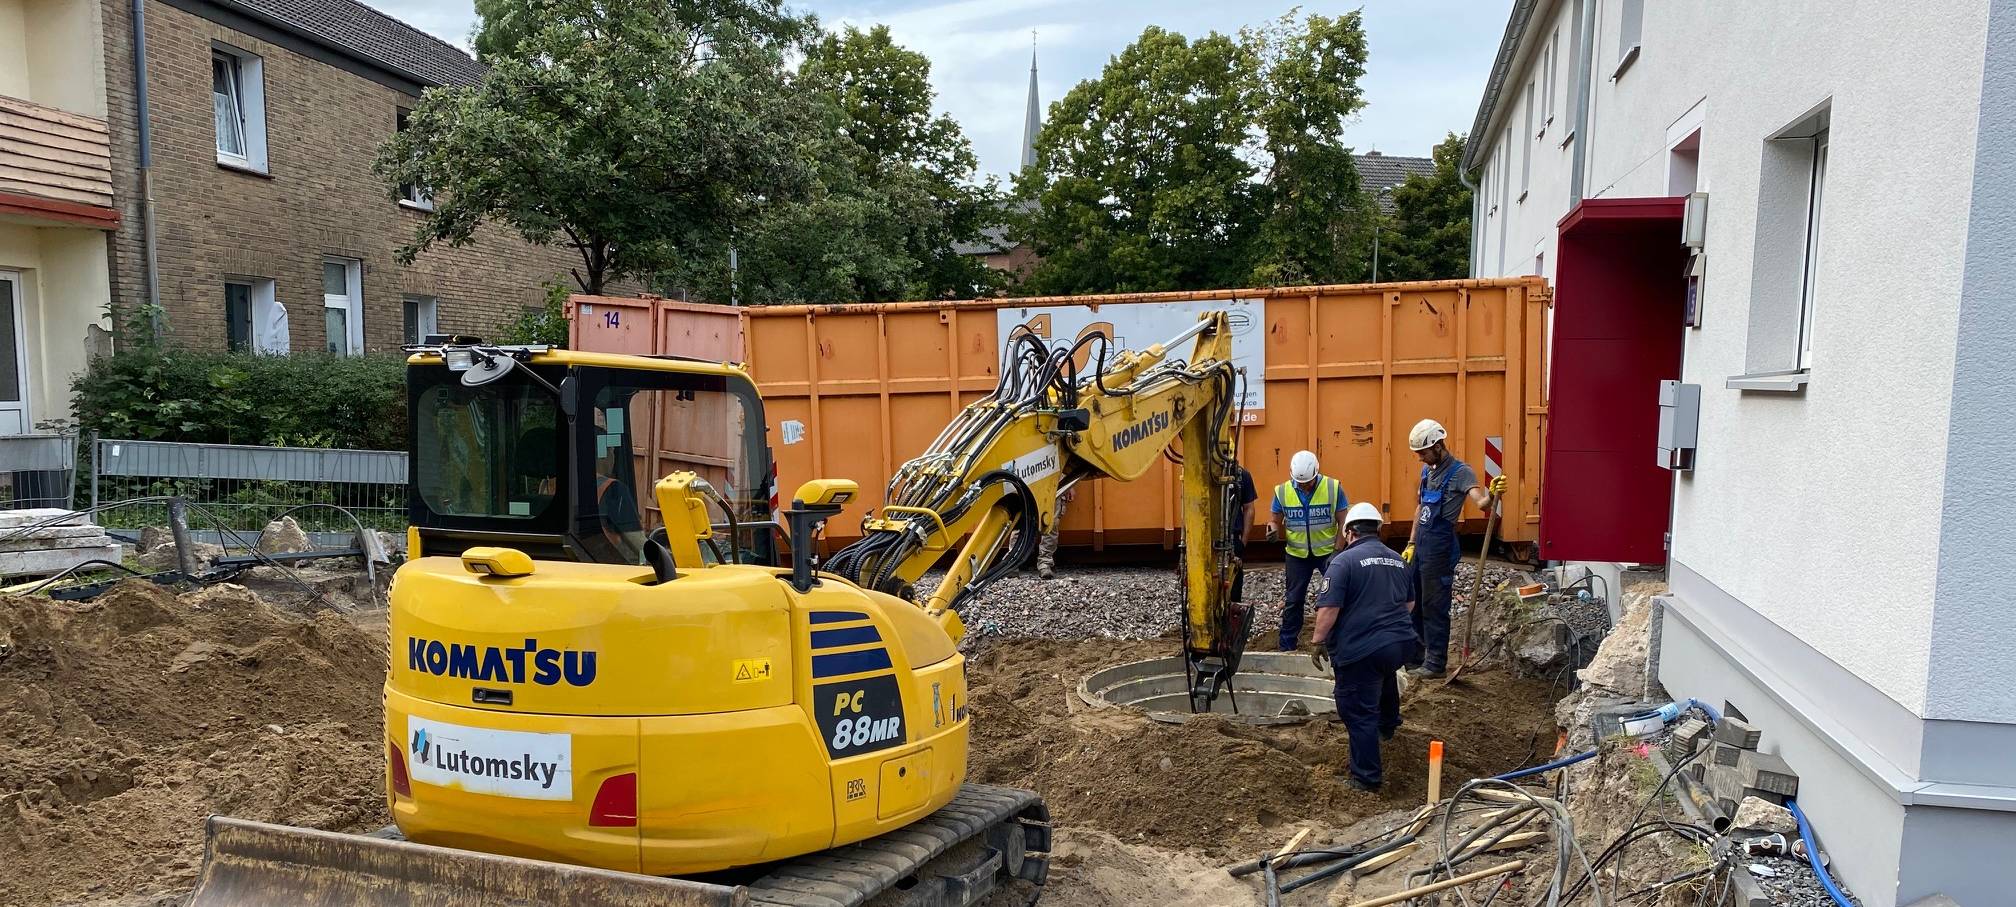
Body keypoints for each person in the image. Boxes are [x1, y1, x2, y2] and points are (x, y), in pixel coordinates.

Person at [1311, 502, 1417, 792]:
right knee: (1383, 677)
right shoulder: (1397, 559)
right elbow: (1409, 604)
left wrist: (1318, 641)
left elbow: (1329, 608)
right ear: (1378, 530)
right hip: (1400, 642)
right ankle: (1388, 726)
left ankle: (1365, 778)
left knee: (1357, 709)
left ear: (1349, 532)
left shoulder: (1343, 562)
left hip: (1362, 648)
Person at [1400, 419, 1505, 678]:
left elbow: (1480, 503)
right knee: (1413, 602)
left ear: (1438, 446)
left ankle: (1435, 663)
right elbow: (1420, 508)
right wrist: (1411, 543)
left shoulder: (1461, 473)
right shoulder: (1428, 472)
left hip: (1440, 547)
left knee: (1434, 605)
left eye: (1423, 452)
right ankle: (1416, 658)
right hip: (1422, 544)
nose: (1420, 458)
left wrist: (1492, 495)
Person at [1267, 450, 1346, 651]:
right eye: (1300, 483)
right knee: (1293, 600)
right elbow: (1274, 520)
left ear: (1316, 473)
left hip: (1327, 552)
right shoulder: (1282, 491)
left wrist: (1338, 550)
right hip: (1297, 555)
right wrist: (1273, 531)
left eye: (1308, 482)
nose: (1304, 486)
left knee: (1335, 596)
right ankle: (1287, 644)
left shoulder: (1332, 487)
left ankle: (1338, 642)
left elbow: (1343, 521)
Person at [1230, 466, 1257, 602]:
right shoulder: (1242, 475)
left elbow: (1249, 509)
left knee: (1233, 587)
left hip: (1232, 539)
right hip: (1208, 538)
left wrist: (1243, 542)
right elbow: (1249, 509)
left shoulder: (1241, 476)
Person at [1036, 487, 1074, 580]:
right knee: (1021, 522)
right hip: (1026, 479)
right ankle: (1012, 563)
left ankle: (1045, 563)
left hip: (1054, 483)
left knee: (1051, 524)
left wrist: (1070, 486)